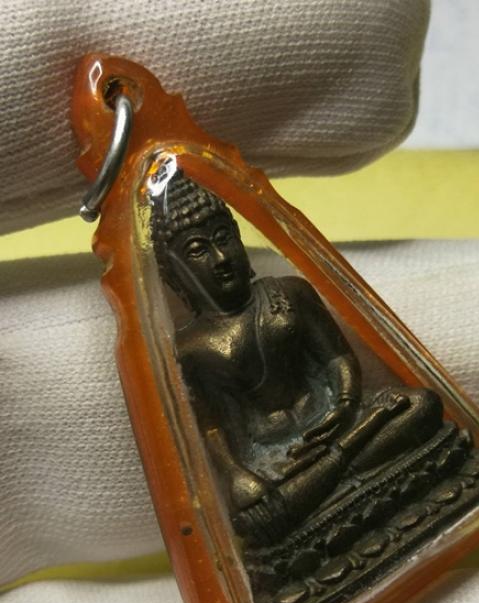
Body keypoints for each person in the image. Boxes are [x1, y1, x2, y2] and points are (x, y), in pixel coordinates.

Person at [150, 166, 444, 545]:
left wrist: (345, 403)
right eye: (198, 251)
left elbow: (337, 358)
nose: (220, 258)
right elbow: (210, 428)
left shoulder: (290, 292)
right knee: (256, 519)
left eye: (224, 239)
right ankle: (346, 476)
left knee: (422, 405)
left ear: (239, 239)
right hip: (279, 463)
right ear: (175, 275)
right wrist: (235, 474)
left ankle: (332, 483)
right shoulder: (190, 348)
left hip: (340, 423)